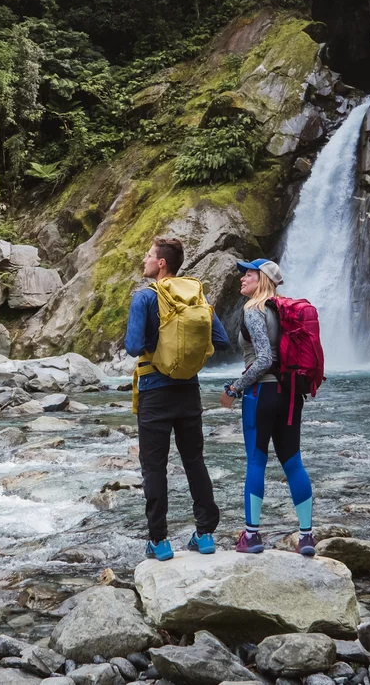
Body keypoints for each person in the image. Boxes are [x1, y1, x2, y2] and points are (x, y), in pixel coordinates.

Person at [124, 236, 231, 561]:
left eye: (148, 256)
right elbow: (222, 341)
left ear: (161, 264)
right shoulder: (195, 296)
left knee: (154, 467)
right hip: (189, 391)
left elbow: (131, 346)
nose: (144, 260)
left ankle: (159, 541)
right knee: (194, 461)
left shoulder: (144, 297)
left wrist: (152, 345)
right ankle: (206, 534)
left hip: (154, 392)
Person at [219, 258, 316, 556]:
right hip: (288, 395)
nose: (242, 279)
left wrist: (235, 388)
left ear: (262, 280)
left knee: (256, 462)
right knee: (293, 462)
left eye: (248, 274)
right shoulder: (282, 311)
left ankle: (251, 537)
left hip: (262, 394)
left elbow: (263, 360)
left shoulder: (254, 310)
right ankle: (307, 537)